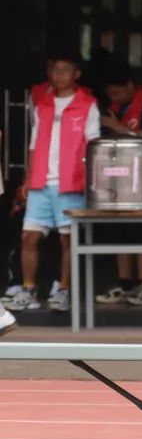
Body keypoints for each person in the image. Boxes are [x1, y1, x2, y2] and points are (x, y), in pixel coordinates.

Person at [6, 53, 100, 313]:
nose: (59, 75)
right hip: (40, 182)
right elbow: (34, 145)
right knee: (28, 236)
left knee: (68, 240)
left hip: (71, 183)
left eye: (65, 70)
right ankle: (28, 290)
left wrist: (91, 183)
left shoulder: (87, 104)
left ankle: (63, 291)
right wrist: (27, 179)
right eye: (55, 70)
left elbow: (94, 146)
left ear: (76, 74)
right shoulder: (43, 104)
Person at [95, 63, 142, 306]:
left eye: (117, 93)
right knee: (120, 232)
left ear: (129, 85)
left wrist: (118, 127)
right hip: (121, 179)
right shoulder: (115, 107)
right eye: (110, 95)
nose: (114, 98)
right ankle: (124, 284)